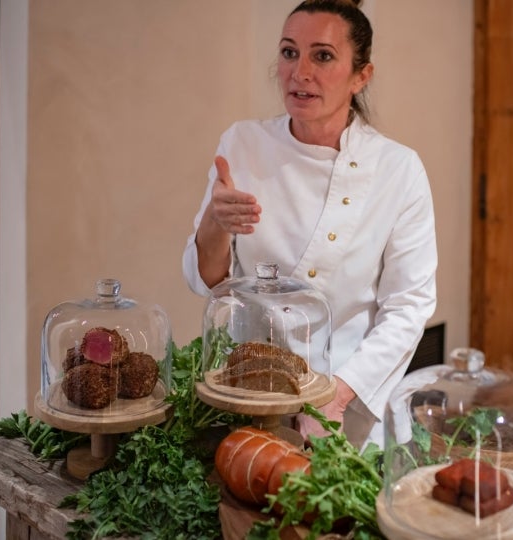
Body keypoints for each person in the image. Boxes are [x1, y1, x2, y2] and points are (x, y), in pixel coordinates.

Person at [182, 0, 437, 449]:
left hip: (348, 410)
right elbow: (207, 280)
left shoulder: (399, 169)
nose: (300, 72)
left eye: (322, 56)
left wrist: (333, 399)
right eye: (288, 52)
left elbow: (409, 304)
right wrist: (215, 221)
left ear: (362, 76)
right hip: (247, 396)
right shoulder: (243, 143)